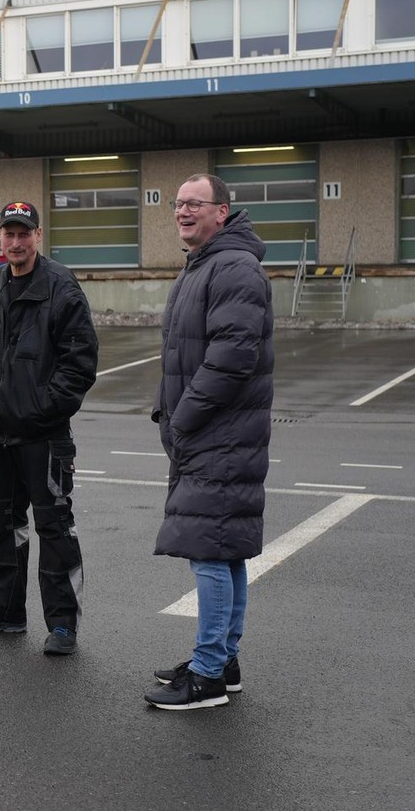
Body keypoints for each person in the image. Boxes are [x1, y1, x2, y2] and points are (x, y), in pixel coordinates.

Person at [144, 173, 274, 711]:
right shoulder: (206, 264)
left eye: (194, 204)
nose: (182, 211)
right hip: (212, 434)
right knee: (226, 549)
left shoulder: (233, 267)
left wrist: (184, 419)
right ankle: (222, 659)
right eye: (177, 204)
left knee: (208, 553)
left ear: (222, 211)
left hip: (218, 435)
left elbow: (232, 356)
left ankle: (207, 677)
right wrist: (164, 409)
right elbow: (181, 350)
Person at [0, 201, 98, 655]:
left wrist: (41, 409)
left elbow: (80, 364)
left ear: (38, 236)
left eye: (24, 234)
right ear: (1, 240)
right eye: (9, 234)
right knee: (1, 522)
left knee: (53, 526)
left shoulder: (62, 288)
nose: (16, 242)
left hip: (43, 434)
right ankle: (7, 610)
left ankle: (62, 625)